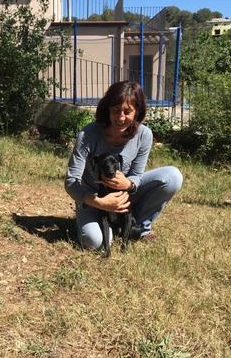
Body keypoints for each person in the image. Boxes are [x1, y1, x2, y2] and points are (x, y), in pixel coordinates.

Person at [65, 81, 183, 250]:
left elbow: (136, 174)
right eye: (115, 110)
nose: (120, 118)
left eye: (127, 112)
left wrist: (129, 184)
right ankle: (107, 225)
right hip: (94, 197)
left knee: (172, 176)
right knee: (93, 242)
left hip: (125, 193)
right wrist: (98, 202)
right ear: (107, 109)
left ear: (137, 112)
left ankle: (140, 227)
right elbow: (71, 182)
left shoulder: (144, 135)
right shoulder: (88, 135)